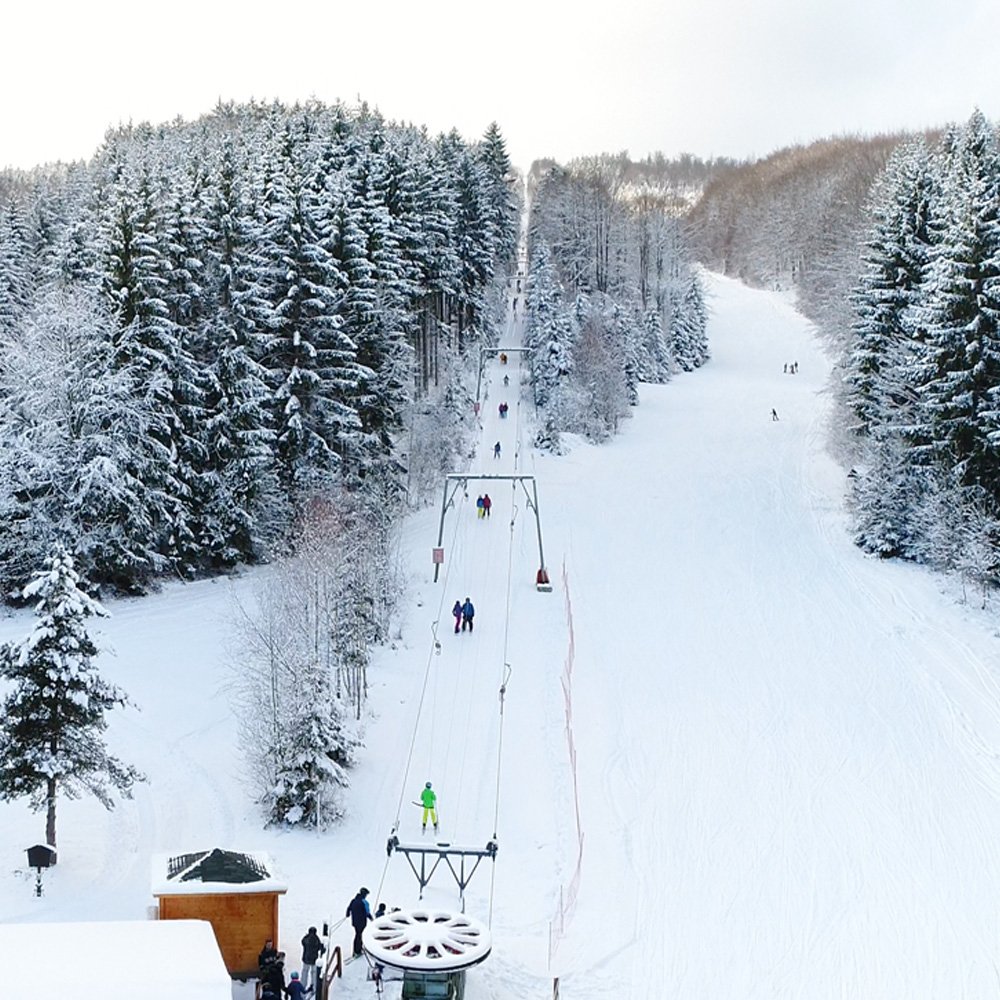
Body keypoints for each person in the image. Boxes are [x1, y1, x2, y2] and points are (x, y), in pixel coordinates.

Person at [346, 888, 372, 958]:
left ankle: (355, 950)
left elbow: (348, 908)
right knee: (360, 935)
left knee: (357, 934)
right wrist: (371, 918)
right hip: (362, 922)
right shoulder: (364, 902)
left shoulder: (354, 900)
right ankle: (358, 950)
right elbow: (367, 913)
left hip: (354, 922)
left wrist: (347, 914)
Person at [300, 927, 325, 993]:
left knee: (305, 972)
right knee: (314, 973)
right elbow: (320, 947)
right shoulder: (316, 939)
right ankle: (314, 987)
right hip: (314, 959)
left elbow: (302, 942)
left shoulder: (306, 938)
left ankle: (303, 985)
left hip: (306, 958)